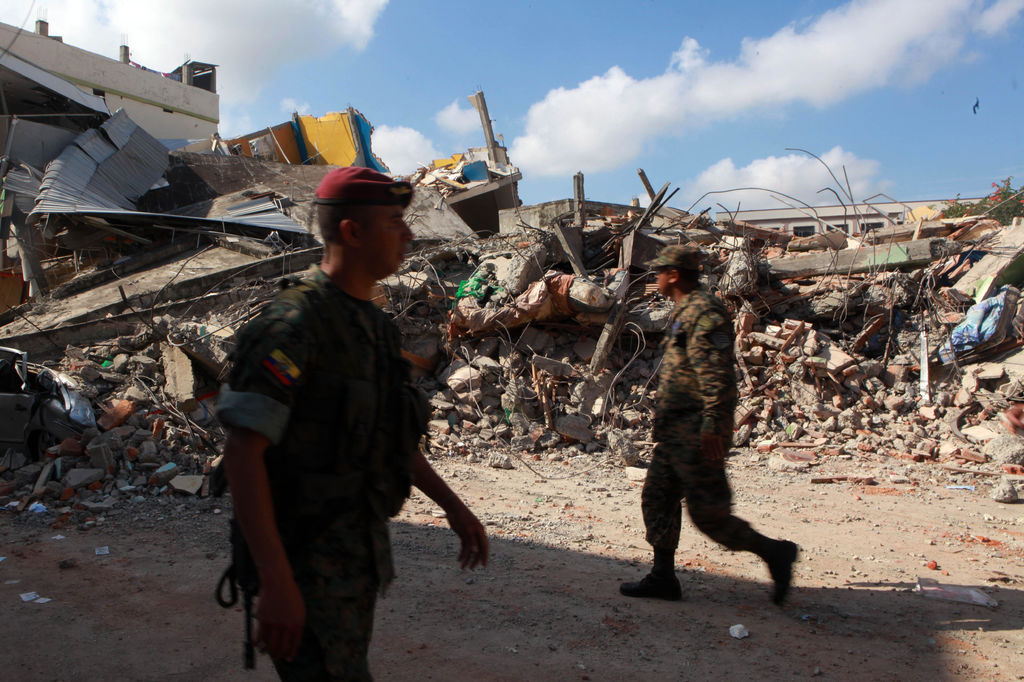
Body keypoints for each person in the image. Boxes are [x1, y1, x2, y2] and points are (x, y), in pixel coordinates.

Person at [217, 166, 489, 680]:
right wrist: (276, 581)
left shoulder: (374, 328)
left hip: (352, 562)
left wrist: (454, 507)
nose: (408, 235)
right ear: (352, 232)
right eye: (394, 222)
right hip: (302, 566)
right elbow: (242, 454)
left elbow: (392, 437)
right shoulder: (293, 325)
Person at [620, 244, 798, 605]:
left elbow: (717, 372)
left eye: (659, 272)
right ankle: (663, 577)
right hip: (676, 431)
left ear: (674, 275)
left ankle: (775, 553)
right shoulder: (684, 310)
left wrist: (713, 424)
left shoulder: (704, 312)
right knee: (657, 496)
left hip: (696, 430)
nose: (655, 278)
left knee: (709, 515)